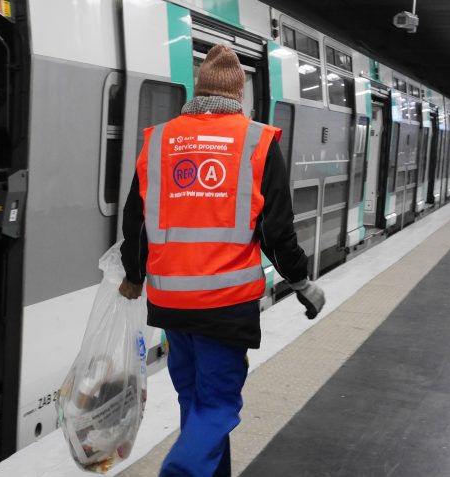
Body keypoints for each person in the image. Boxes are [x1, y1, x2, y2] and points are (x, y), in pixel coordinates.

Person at [119, 44, 325, 477]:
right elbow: (275, 231)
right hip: (225, 306)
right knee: (216, 408)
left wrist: (135, 275)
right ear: (239, 95)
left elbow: (136, 220)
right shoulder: (255, 140)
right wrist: (302, 283)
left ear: (199, 90)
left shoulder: (160, 140)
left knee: (195, 405)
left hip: (172, 306)